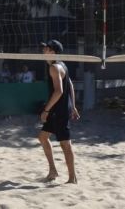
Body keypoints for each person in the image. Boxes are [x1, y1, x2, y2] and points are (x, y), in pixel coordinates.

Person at [38, 39, 80, 184]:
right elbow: (71, 85)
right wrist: (73, 105)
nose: (43, 51)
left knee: (65, 144)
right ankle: (53, 170)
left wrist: (46, 110)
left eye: (46, 48)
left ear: (53, 52)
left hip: (58, 111)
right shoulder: (62, 65)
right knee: (43, 137)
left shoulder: (54, 67)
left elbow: (59, 91)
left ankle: (72, 177)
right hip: (59, 109)